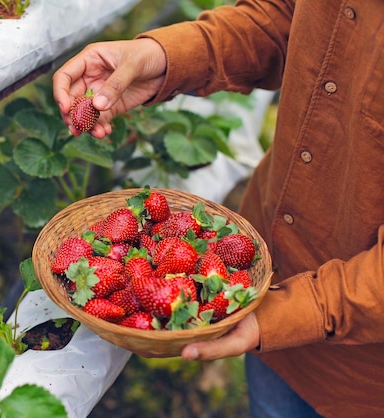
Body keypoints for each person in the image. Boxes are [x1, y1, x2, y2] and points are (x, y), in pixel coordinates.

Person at [52, 0, 384, 417]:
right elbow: (288, 18)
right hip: (266, 278)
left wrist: (287, 316)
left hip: (364, 378)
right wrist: (165, 56)